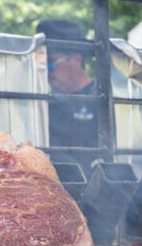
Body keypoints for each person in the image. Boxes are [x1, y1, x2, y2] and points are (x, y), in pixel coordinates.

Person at [35, 19, 99, 165]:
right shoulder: (43, 103)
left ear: (76, 59)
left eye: (50, 64)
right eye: (41, 65)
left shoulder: (103, 97)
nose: (46, 71)